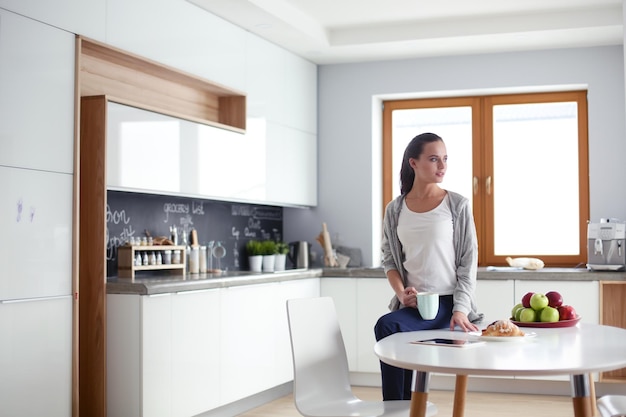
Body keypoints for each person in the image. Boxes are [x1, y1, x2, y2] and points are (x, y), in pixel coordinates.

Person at [374, 132, 483, 400]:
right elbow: (390, 260)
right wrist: (401, 294)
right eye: (434, 159)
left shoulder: (457, 205)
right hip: (416, 306)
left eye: (445, 159)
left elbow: (468, 264)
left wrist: (460, 310)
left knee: (387, 327)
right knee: (389, 327)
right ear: (413, 163)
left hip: (448, 305)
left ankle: (396, 408)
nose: (442, 166)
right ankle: (401, 407)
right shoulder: (395, 209)